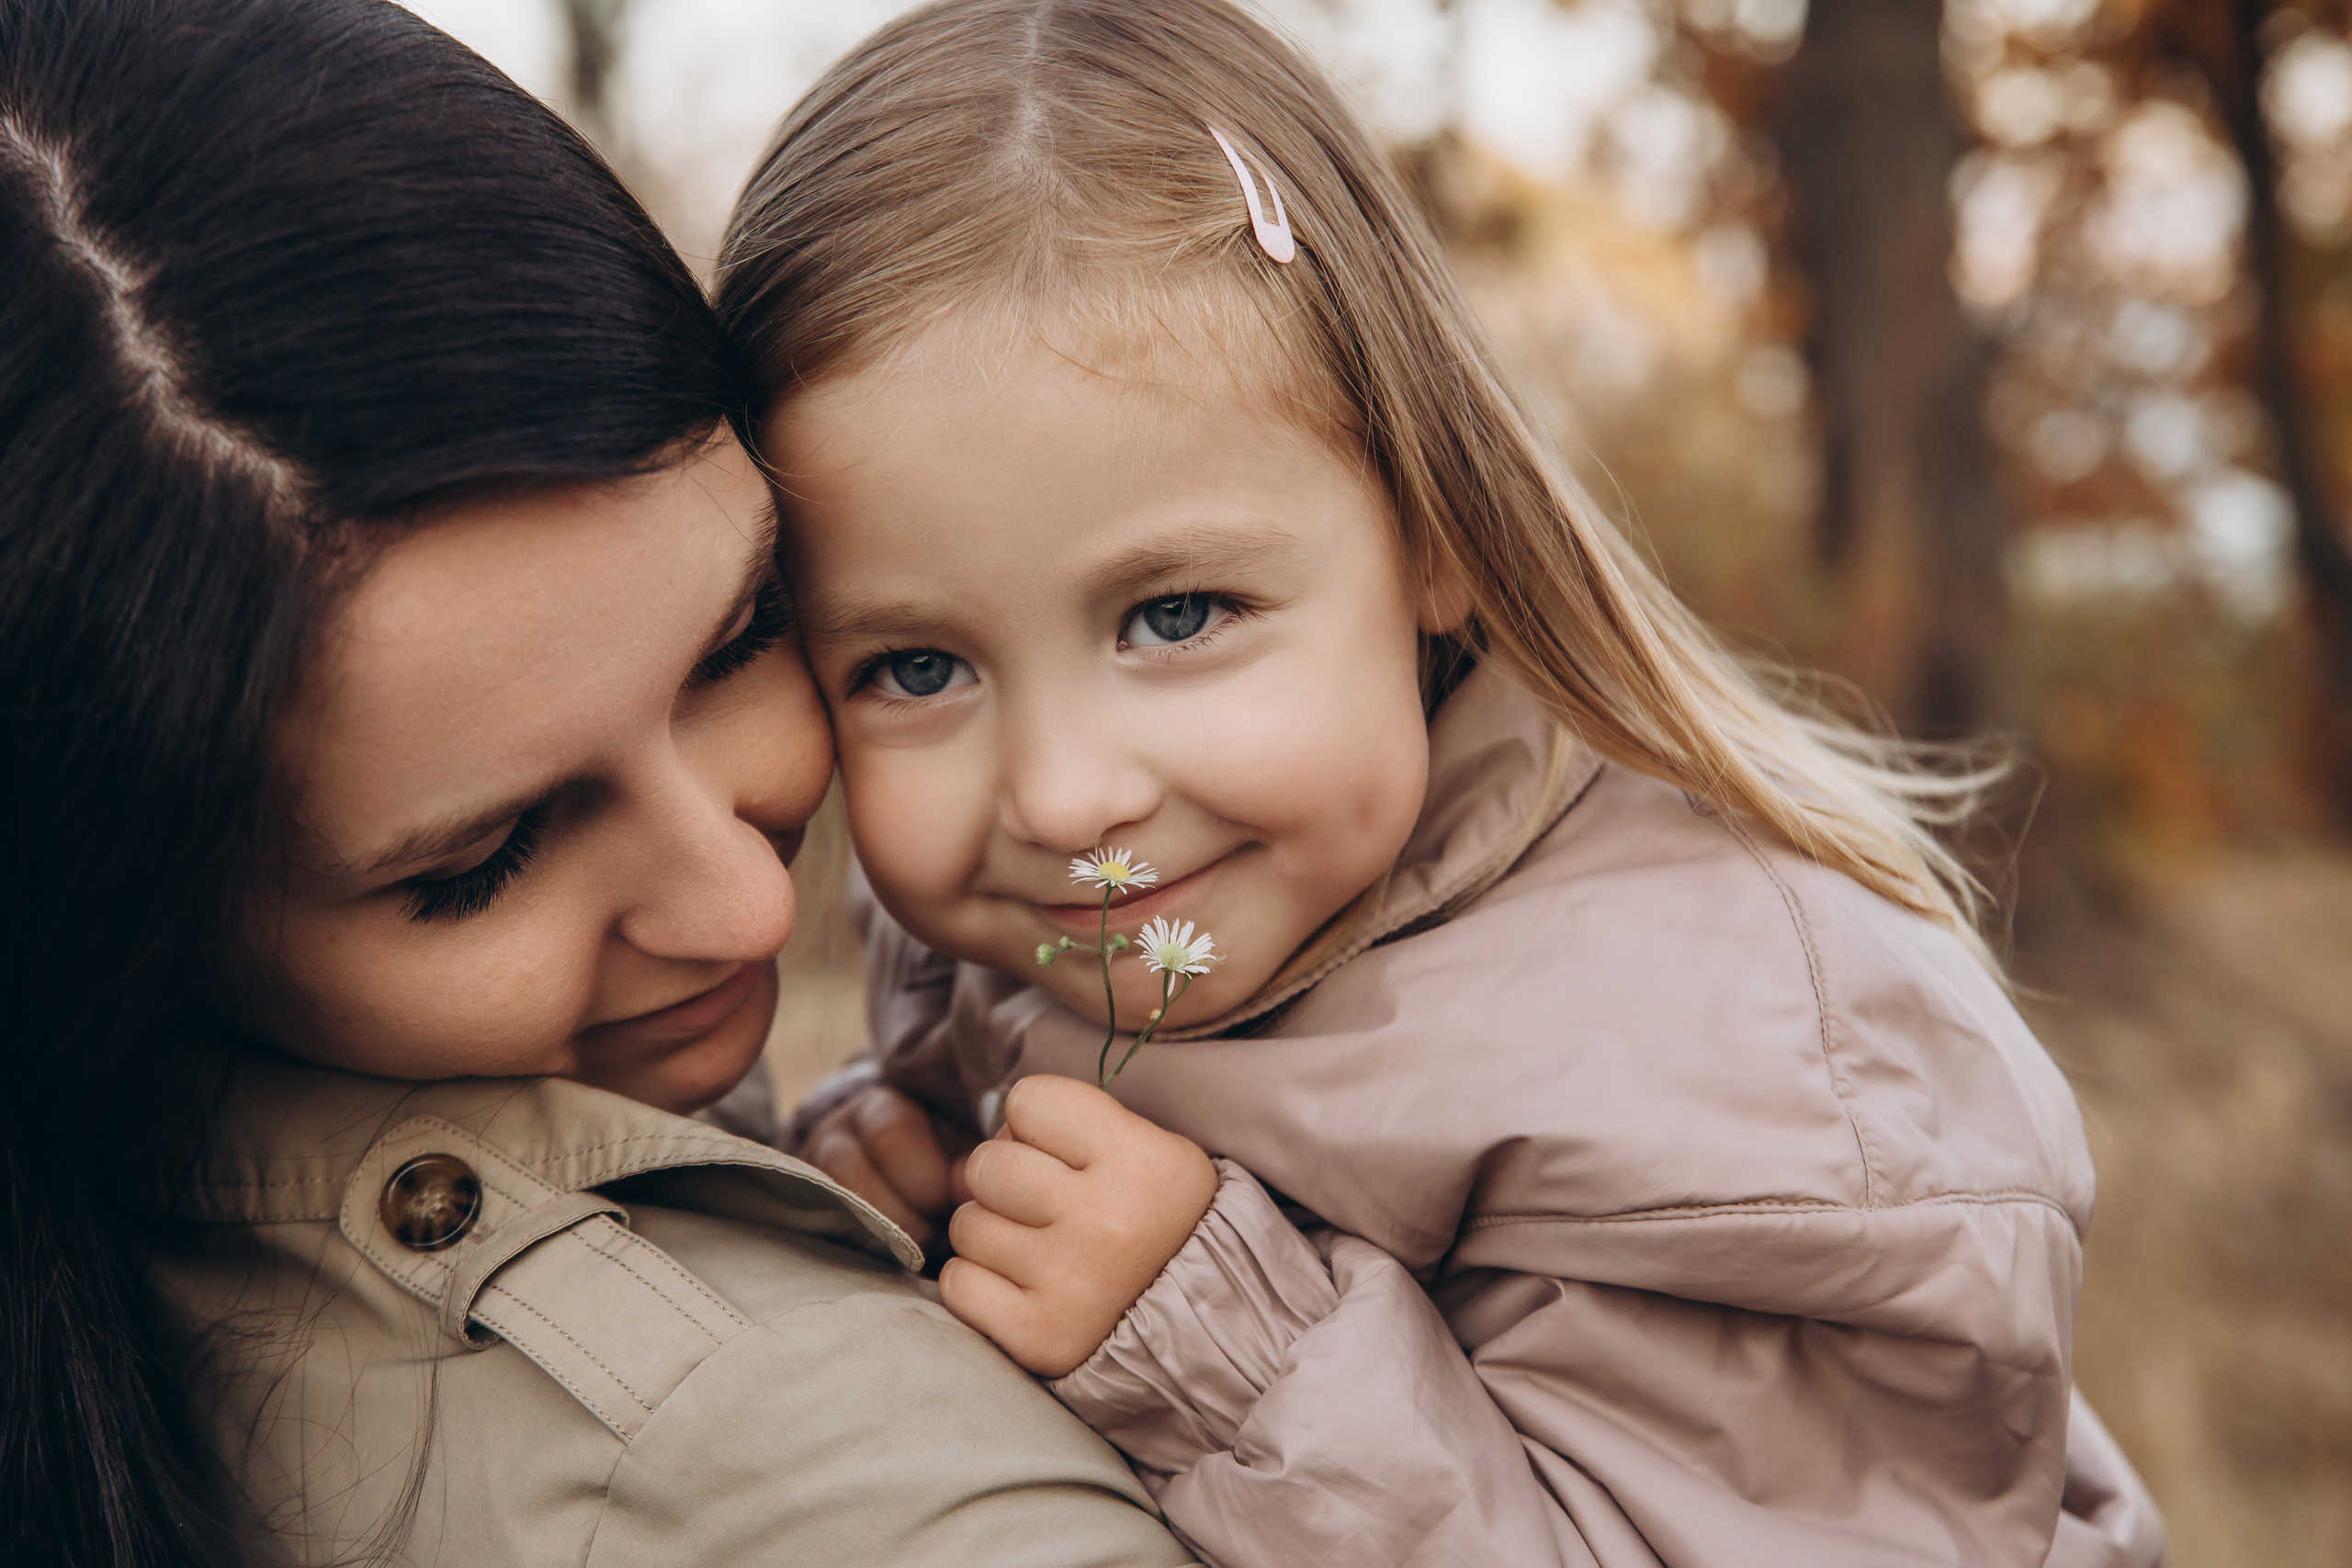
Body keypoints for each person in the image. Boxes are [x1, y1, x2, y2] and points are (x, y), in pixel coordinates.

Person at [715, 2, 2169, 1564]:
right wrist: (909, 1146)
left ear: (1435, 532)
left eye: (1177, 616)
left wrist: (1224, 1359)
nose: (1065, 799)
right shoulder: (997, 936)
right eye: (918, 671)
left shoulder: (1754, 1089)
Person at [0, 1, 1201, 1563]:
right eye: (485, 859)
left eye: (740, 639)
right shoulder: (873, 1502)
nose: (750, 902)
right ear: (115, 924)